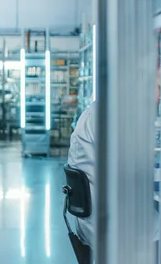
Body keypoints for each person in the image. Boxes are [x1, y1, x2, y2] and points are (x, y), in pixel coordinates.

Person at [67, 101, 96, 248]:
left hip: (89, 217)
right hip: (106, 218)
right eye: (159, 88)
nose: (159, 97)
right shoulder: (105, 118)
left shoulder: (94, 112)